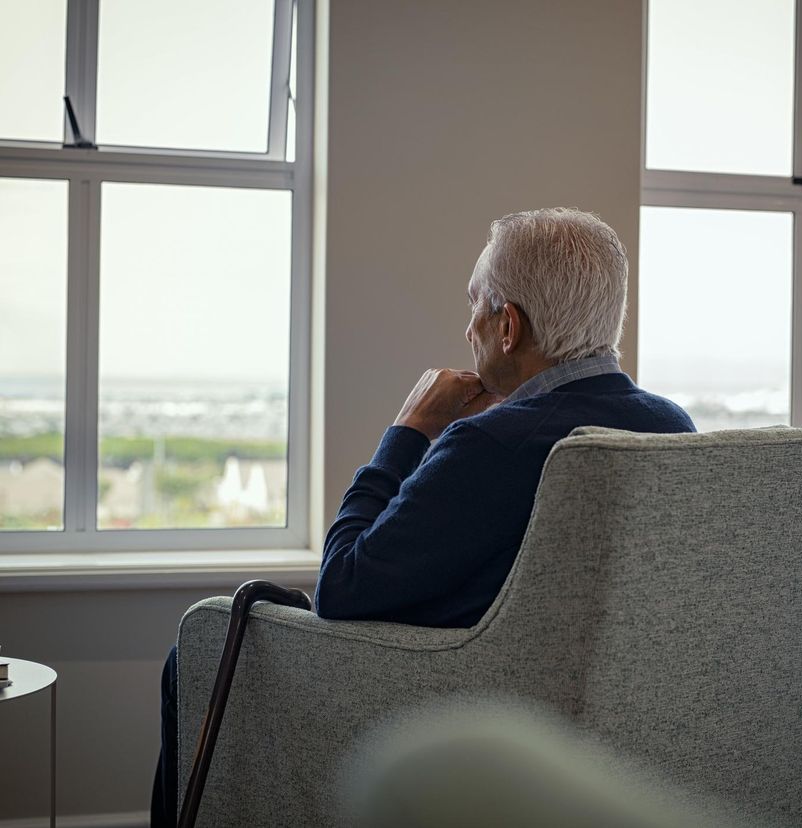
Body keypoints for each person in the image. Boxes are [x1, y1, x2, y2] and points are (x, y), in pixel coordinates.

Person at [151, 207, 694, 824]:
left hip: (458, 703)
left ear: (509, 326)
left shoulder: (491, 444)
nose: (468, 327)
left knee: (198, 650)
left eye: (475, 305)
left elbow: (341, 589)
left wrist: (408, 431)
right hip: (601, 721)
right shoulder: (672, 428)